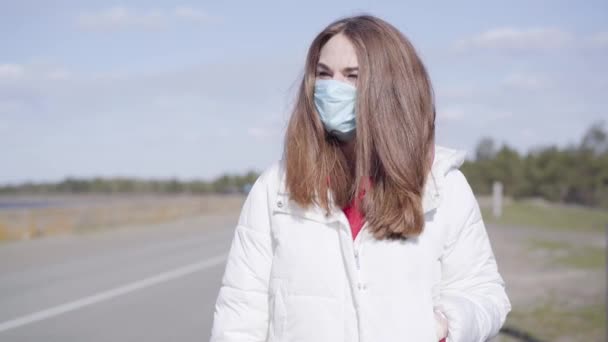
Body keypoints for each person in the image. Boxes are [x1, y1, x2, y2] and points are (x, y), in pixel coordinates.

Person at [209, 14, 511, 342]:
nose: (332, 88)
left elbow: (485, 294)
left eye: (352, 76)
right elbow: (240, 312)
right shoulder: (276, 186)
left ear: (390, 88)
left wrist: (444, 324)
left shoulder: (442, 186)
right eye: (324, 75)